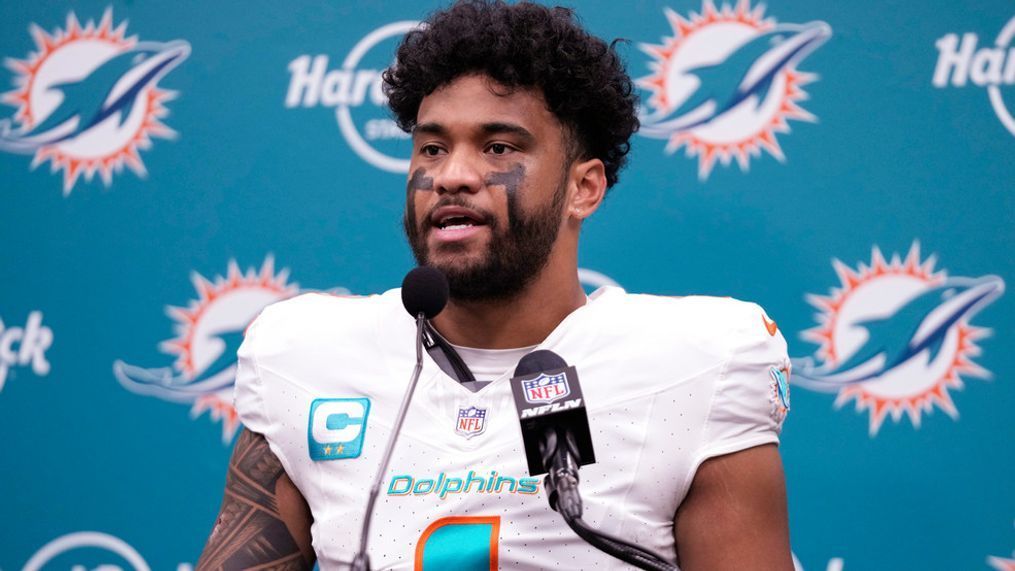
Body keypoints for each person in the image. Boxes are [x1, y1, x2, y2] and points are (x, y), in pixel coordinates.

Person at [197, 1, 793, 569]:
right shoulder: (306, 357)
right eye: (431, 148)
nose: (451, 175)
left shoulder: (694, 367)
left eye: (498, 147)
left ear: (583, 189)